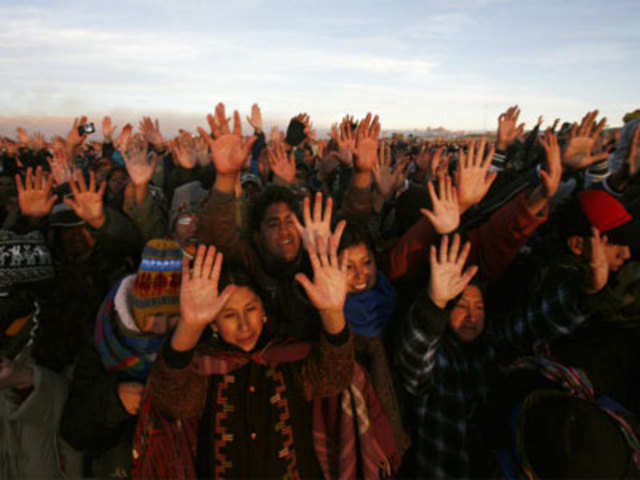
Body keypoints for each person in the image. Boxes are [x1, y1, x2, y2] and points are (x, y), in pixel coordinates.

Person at [396, 227, 610, 478]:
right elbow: (415, 351)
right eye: (461, 306)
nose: (472, 316)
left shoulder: (494, 344)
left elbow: (536, 320)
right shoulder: (437, 361)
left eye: (479, 307)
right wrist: (435, 303)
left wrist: (587, 292)